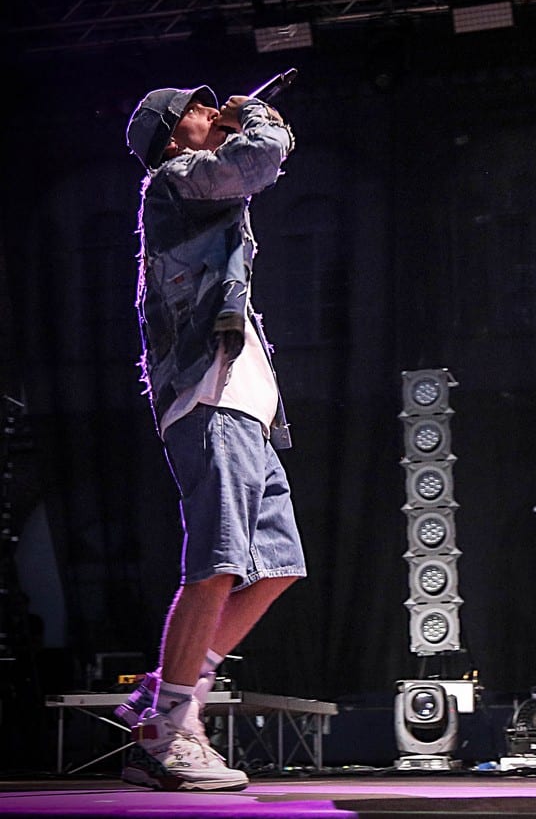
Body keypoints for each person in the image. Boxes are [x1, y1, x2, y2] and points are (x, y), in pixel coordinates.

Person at [120, 83, 304, 791]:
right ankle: (167, 732)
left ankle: (165, 690)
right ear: (173, 137)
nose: (210, 112)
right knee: (218, 563)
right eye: (197, 110)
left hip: (246, 406)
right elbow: (260, 158)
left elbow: (260, 161)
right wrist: (251, 115)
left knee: (277, 566)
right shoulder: (174, 180)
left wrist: (252, 124)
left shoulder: (200, 184)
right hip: (209, 397)